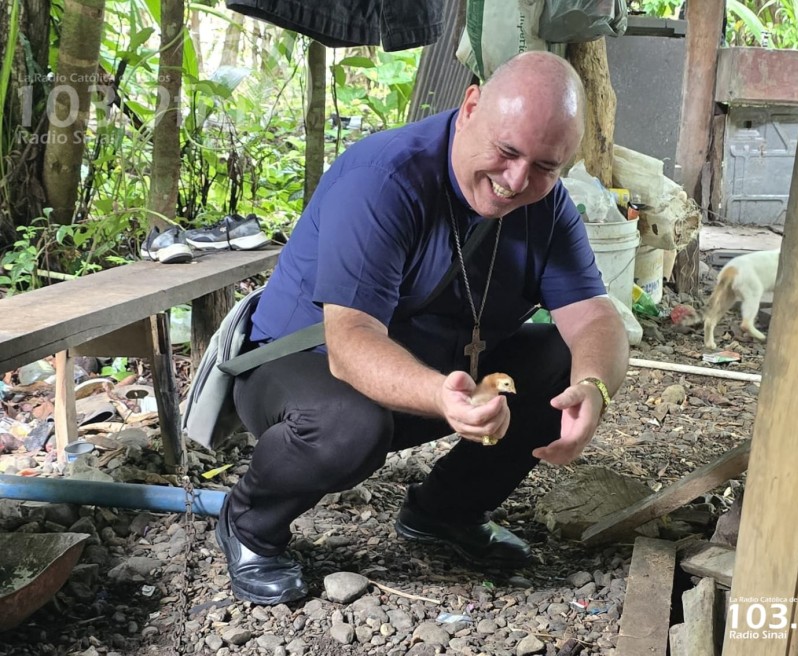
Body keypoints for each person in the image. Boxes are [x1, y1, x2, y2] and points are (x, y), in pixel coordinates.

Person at [215, 50, 630, 605]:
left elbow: (595, 316)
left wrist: (596, 388)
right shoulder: (384, 178)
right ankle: (249, 525)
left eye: (545, 167)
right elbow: (349, 342)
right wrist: (443, 394)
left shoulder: (547, 204)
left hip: (440, 375)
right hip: (303, 368)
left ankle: (444, 513)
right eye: (507, 152)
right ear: (471, 106)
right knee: (348, 425)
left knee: (560, 363)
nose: (516, 180)